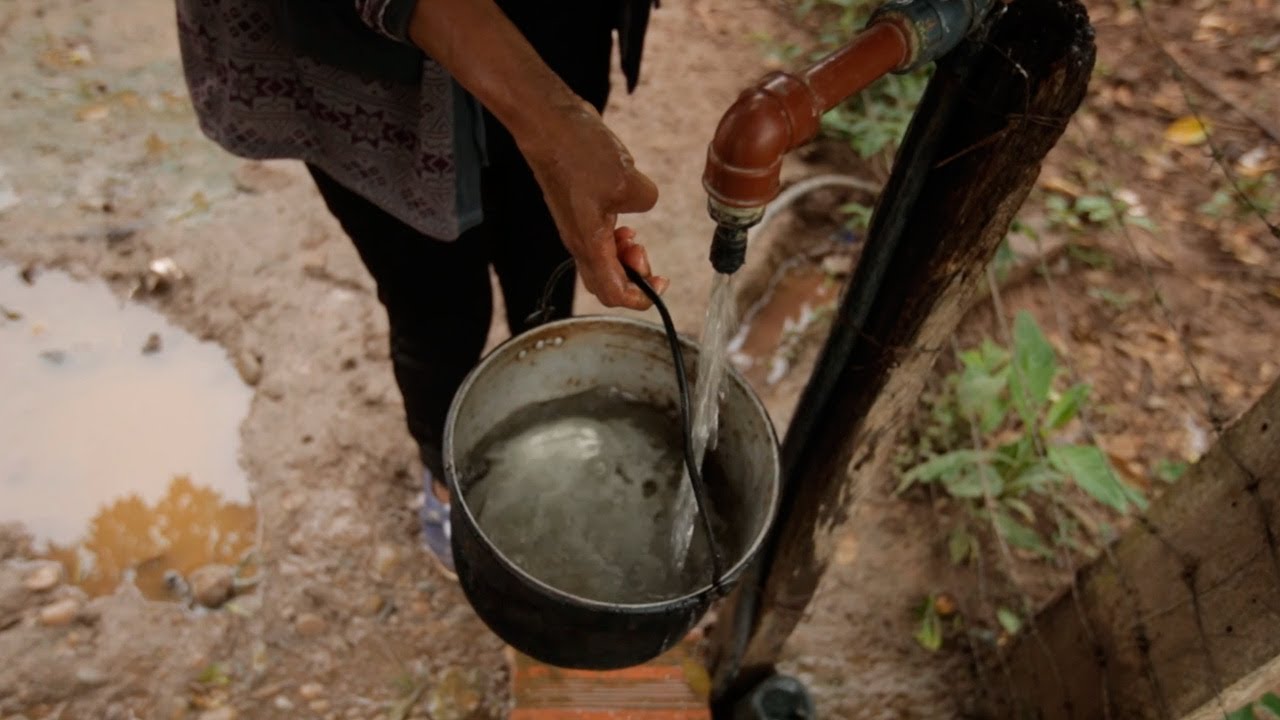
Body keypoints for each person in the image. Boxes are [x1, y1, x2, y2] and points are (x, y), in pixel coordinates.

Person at [175, 0, 670, 578]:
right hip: (363, 65)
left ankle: (542, 425)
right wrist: (553, 123)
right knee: (437, 308)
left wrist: (557, 125)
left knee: (545, 267)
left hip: (556, 25)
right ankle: (445, 474)